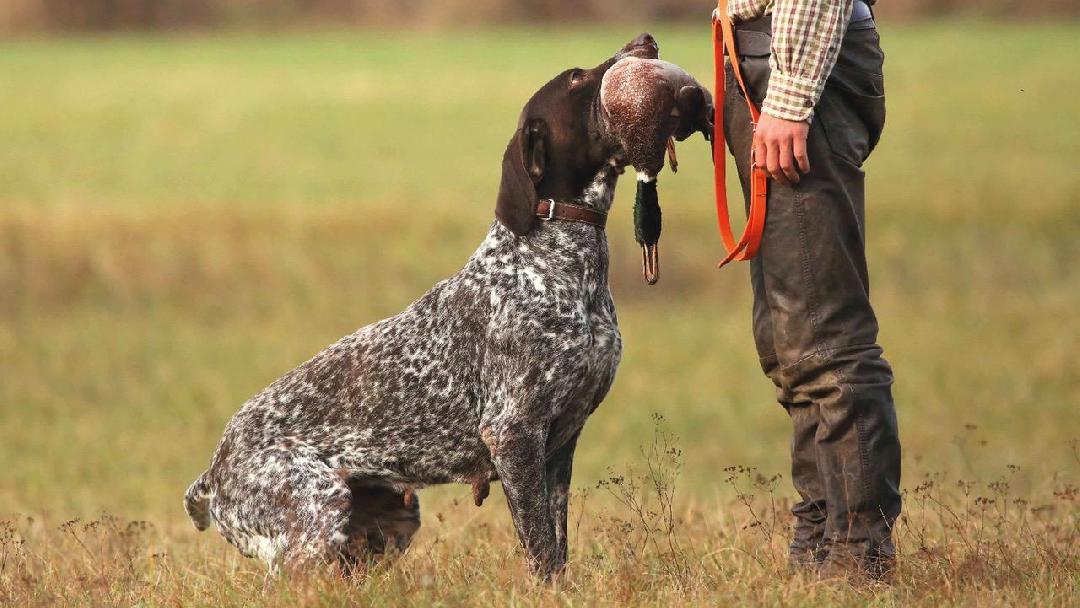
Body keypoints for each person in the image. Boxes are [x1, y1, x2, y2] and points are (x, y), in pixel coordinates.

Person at [720, 0, 902, 580]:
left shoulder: (795, 79)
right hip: (765, 56)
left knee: (825, 337)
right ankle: (819, 538)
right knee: (787, 339)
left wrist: (792, 92)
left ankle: (856, 554)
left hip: (795, 60)